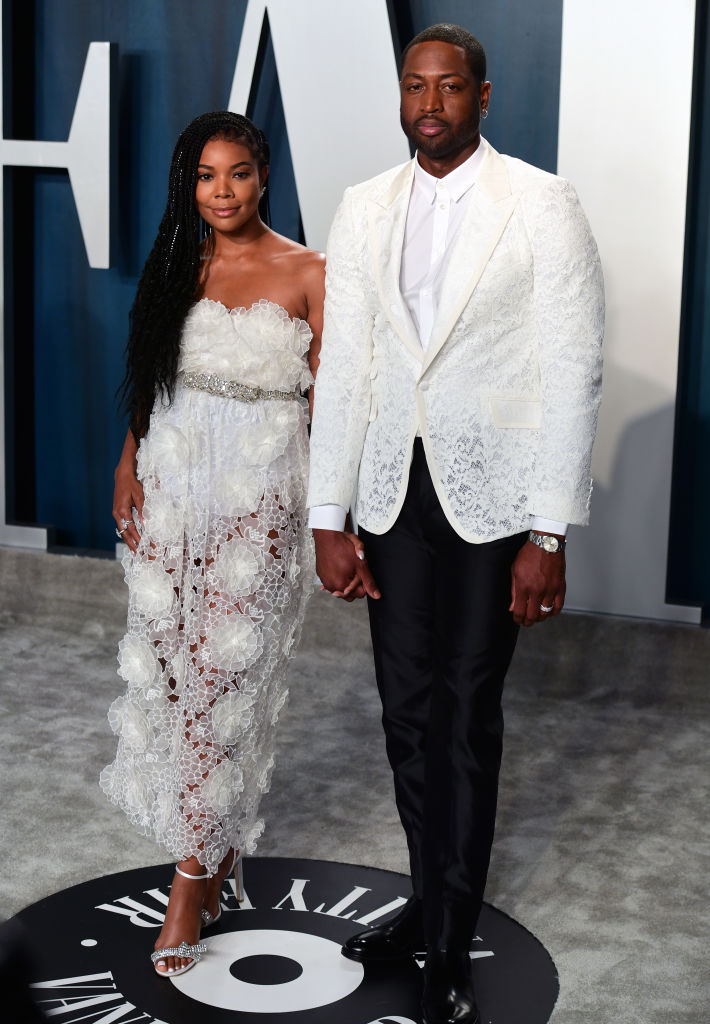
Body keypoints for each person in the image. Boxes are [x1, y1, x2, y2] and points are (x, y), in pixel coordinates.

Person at [307, 23, 603, 1024]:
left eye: (447, 86)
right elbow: (345, 364)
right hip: (389, 494)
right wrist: (326, 513)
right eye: (412, 85)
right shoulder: (361, 209)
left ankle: (444, 942)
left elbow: (571, 369)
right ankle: (426, 897)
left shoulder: (539, 203)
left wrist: (548, 532)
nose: (427, 101)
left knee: (465, 717)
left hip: (493, 502)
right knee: (403, 714)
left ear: (482, 96)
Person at [101, 111, 325, 977]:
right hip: (170, 489)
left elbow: (329, 406)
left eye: (236, 174)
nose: (220, 192)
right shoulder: (176, 264)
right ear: (188, 184)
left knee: (222, 678)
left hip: (259, 500)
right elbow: (151, 376)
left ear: (263, 175)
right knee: (169, 672)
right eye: (204, 176)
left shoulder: (308, 271)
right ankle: (214, 845)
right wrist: (129, 462)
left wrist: (326, 517)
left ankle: (190, 882)